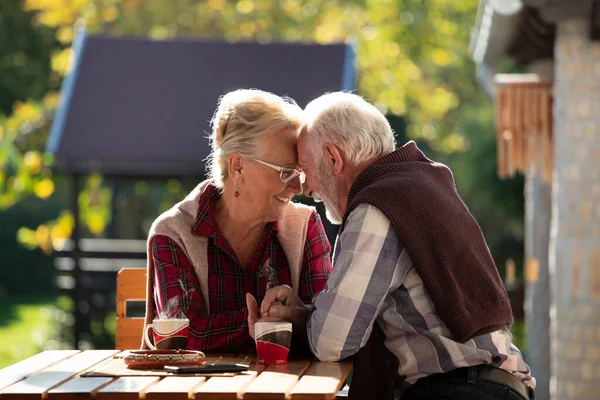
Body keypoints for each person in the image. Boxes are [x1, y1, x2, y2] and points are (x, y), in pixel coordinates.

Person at [249, 92, 535, 400]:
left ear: (333, 158)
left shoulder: (375, 208)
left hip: (461, 391)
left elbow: (332, 342)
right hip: (492, 386)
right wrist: (303, 316)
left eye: (306, 169)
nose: (306, 187)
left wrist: (303, 323)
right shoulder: (420, 182)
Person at [142, 89, 332, 353]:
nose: (298, 188)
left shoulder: (305, 225)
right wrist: (265, 325)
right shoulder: (173, 233)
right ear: (238, 167)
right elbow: (183, 337)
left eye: (300, 172)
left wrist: (300, 316)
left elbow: (328, 328)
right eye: (286, 172)